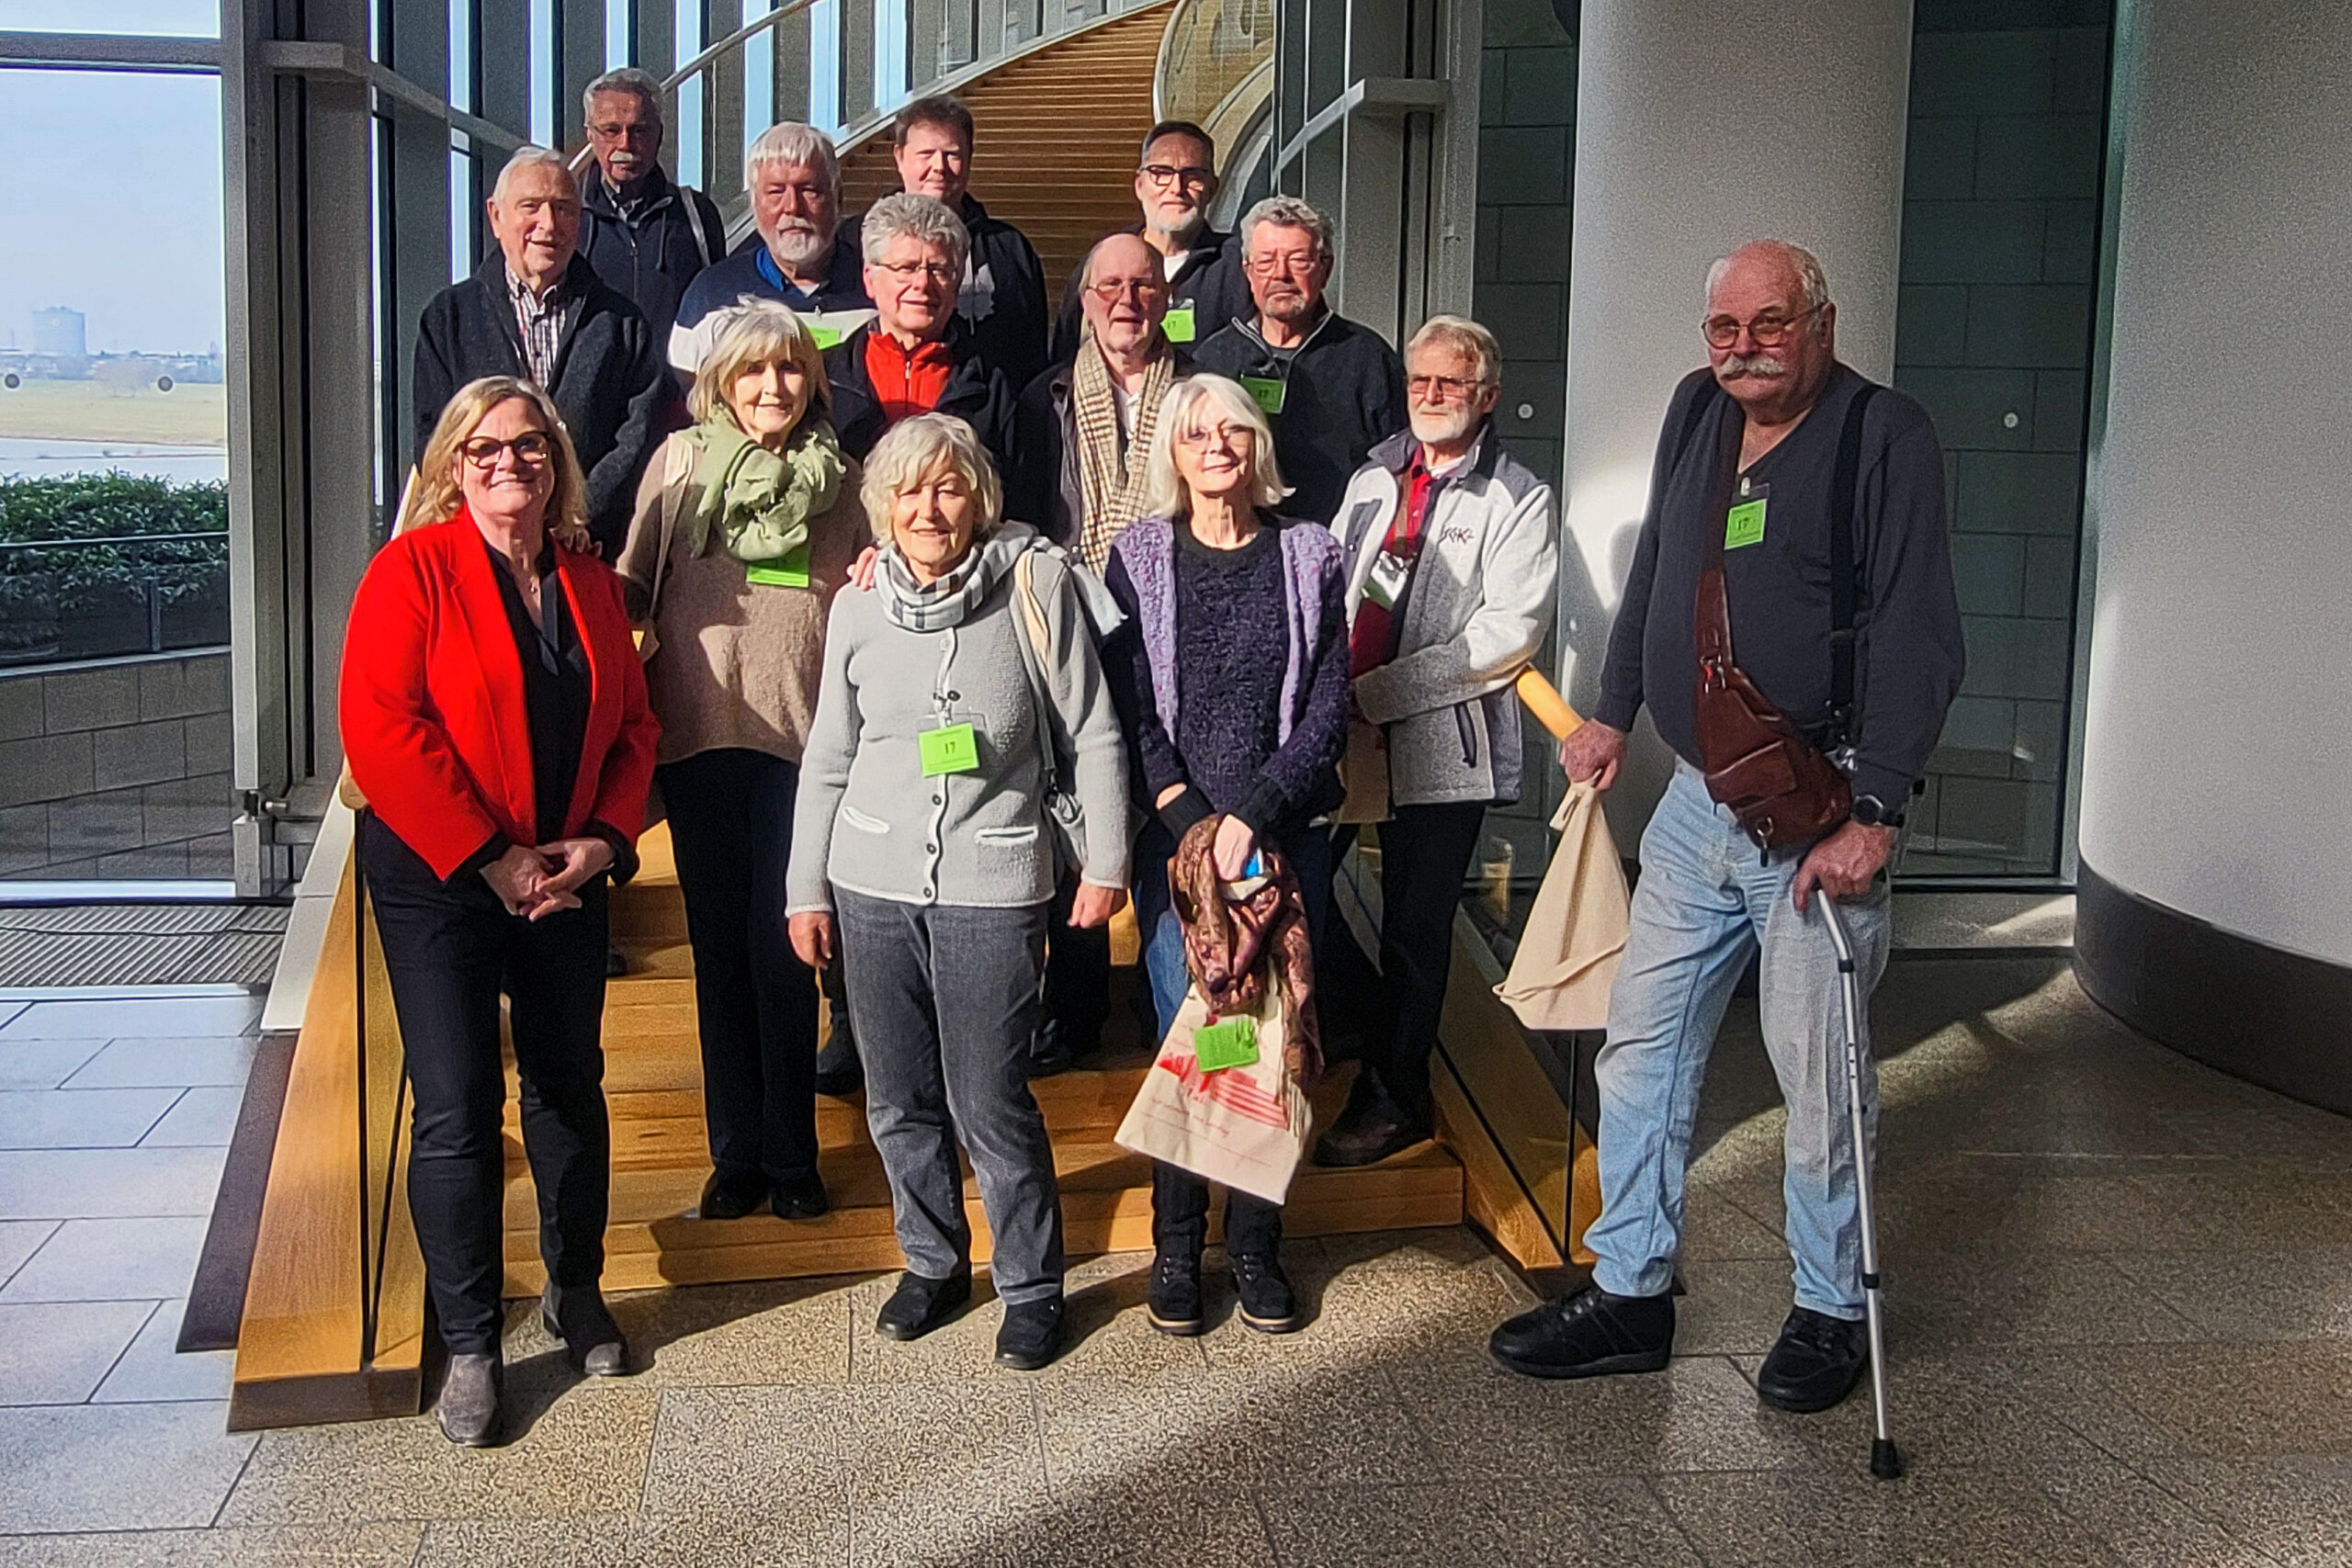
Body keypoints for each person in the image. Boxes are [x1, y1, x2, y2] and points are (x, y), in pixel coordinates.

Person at [1487, 242, 1964, 1414]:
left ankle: (1829, 1310)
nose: (1742, 349)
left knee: (1821, 1084)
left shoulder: (1882, 435)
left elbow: (1917, 630)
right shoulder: (1696, 409)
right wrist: (1612, 711)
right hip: (1697, 804)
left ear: (1821, 323)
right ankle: (1631, 1291)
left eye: (1769, 323)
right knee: (1641, 1052)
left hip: (1817, 816)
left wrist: (1876, 812)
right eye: (1722, 328)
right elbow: (1659, 564)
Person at [341, 378, 659, 1447]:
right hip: (440, 879)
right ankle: (474, 1340)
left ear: (556, 462)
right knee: (457, 1104)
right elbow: (383, 728)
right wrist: (493, 859)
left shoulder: (590, 582)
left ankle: (576, 1292)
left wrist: (602, 842)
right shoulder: (411, 570)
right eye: (483, 449)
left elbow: (635, 729)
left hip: (564, 873)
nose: (509, 463)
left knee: (568, 1084)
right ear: (452, 466)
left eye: (529, 445)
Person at [785, 414, 1131, 1372]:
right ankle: (932, 1260)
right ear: (881, 508)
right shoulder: (857, 606)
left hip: (996, 878)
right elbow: (828, 755)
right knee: (897, 1095)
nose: (928, 509)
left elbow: (1095, 730)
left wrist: (1106, 863)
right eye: (908, 491)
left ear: (979, 500)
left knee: (990, 1099)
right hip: (870, 881)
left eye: (947, 488)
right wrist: (804, 888)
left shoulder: (1034, 584)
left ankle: (1030, 1282)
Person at [1102, 373, 1350, 1340]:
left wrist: (1254, 813)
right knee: (1198, 1036)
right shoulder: (1139, 557)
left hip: (1286, 842)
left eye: (1233, 432)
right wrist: (1196, 823)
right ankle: (1176, 1244)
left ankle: (1254, 1245)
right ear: (1172, 451)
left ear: (1258, 446)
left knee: (1268, 1042)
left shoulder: (1310, 553)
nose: (1216, 448)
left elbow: (1327, 707)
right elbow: (1129, 708)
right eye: (1196, 434)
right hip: (1178, 850)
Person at [613, 301, 864, 1224]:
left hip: (804, 749)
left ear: (813, 381)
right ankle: (735, 1155)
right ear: (721, 383)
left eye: (789, 369)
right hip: (697, 739)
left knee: (785, 950)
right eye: (753, 371)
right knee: (719, 952)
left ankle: (793, 1155)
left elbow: (872, 591)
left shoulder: (844, 481)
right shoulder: (680, 465)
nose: (772, 386)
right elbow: (631, 586)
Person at [1314, 315, 1559, 1168]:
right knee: (1300, 885)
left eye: (1449, 382)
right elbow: (1333, 587)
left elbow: (1506, 634)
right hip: (1341, 732)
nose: (1430, 394)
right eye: (1419, 380)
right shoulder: (1373, 476)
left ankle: (1394, 1098)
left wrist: (1382, 694)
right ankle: (1351, 1019)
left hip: (1439, 750)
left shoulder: (1518, 497)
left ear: (1487, 395)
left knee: (1415, 936)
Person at [1010, 231, 1191, 1074]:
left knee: (1167, 808)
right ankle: (1075, 1006)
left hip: (1174, 632)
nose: (1128, 301)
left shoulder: (1201, 393)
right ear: (1084, 302)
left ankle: (1169, 1001)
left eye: (1144, 285)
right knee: (1070, 808)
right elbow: (1020, 510)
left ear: (1166, 298)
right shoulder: (1042, 396)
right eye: (1109, 285)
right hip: (1071, 628)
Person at [413, 146, 679, 556]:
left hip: (586, 548)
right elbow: (434, 437)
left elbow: (636, 436)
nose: (549, 224)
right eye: (531, 207)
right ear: (496, 217)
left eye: (563, 208)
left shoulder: (621, 323)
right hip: (479, 547)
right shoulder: (449, 318)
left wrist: (576, 515)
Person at [1192, 197, 1408, 527]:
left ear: (1325, 269)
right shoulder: (1214, 360)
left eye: (1298, 260)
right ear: (1248, 271)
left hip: (1337, 543)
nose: (1281, 275)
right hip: (1235, 541)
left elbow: (1400, 470)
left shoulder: (1368, 359)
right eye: (1266, 261)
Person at [824, 194, 1019, 471]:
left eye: (938, 270)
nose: (923, 283)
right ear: (870, 279)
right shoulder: (824, 381)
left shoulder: (992, 389)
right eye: (907, 268)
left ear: (957, 285)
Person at [671, 123, 875, 377]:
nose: (793, 207)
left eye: (809, 191)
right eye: (776, 192)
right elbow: (687, 394)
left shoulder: (881, 289)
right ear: (754, 203)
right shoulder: (711, 295)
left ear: (838, 198)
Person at [882, 95, 1051, 392]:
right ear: (899, 157)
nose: (939, 167)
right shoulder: (865, 243)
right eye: (925, 154)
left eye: (952, 154)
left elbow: (1032, 356)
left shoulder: (1010, 251)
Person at [1049, 120, 1252, 363]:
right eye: (1161, 173)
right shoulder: (1104, 263)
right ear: (1139, 185)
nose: (1177, 188)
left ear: (1212, 189)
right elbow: (1066, 357)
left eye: (1192, 175)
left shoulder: (1240, 266)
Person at [574, 68, 727, 337]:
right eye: (611, 130)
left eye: (640, 131)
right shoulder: (567, 216)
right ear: (590, 135)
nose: (625, 144)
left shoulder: (696, 215)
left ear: (659, 135)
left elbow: (719, 309)